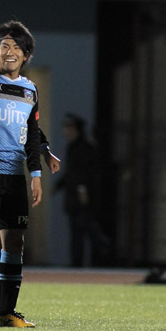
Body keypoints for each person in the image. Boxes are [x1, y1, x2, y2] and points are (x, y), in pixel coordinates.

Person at [0, 20, 46, 327]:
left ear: (26, 55)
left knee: (14, 244)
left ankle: (5, 312)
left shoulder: (30, 89)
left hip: (16, 177)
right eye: (4, 45)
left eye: (17, 47)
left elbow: (32, 133)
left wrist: (36, 174)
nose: (10, 51)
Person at [54, 114, 107, 267]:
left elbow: (84, 173)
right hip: (73, 197)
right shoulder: (72, 147)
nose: (66, 131)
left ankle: (101, 247)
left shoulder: (85, 148)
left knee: (84, 227)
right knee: (77, 230)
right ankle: (78, 262)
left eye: (68, 128)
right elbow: (70, 173)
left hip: (81, 197)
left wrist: (82, 189)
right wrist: (58, 186)